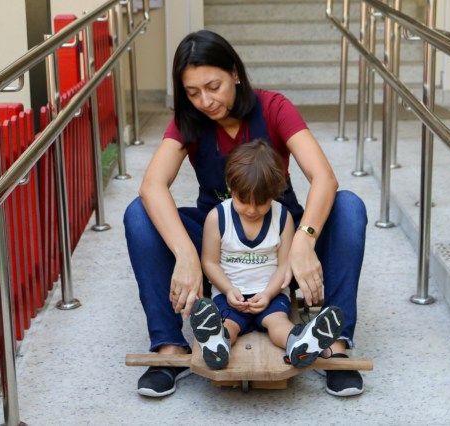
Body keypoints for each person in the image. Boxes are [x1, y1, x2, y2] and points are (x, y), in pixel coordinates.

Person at [124, 29, 367, 398]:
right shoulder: (189, 120)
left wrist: (304, 240)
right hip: (220, 245)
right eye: (193, 92)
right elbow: (152, 186)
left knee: (349, 206)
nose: (206, 101)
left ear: (235, 73)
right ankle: (169, 349)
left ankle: (334, 347)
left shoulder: (274, 107)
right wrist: (187, 255)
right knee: (139, 214)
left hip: (283, 243)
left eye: (214, 86)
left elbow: (324, 178)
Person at [190, 139, 343, 371]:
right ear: (231, 187)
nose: (252, 210)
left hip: (271, 295)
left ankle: (300, 343)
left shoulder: (282, 218)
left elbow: (284, 265)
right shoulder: (217, 217)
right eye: (243, 200)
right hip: (230, 295)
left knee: (278, 324)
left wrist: (268, 293)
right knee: (227, 324)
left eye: (261, 203)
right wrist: (228, 290)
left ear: (274, 194)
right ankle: (216, 343)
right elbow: (209, 262)